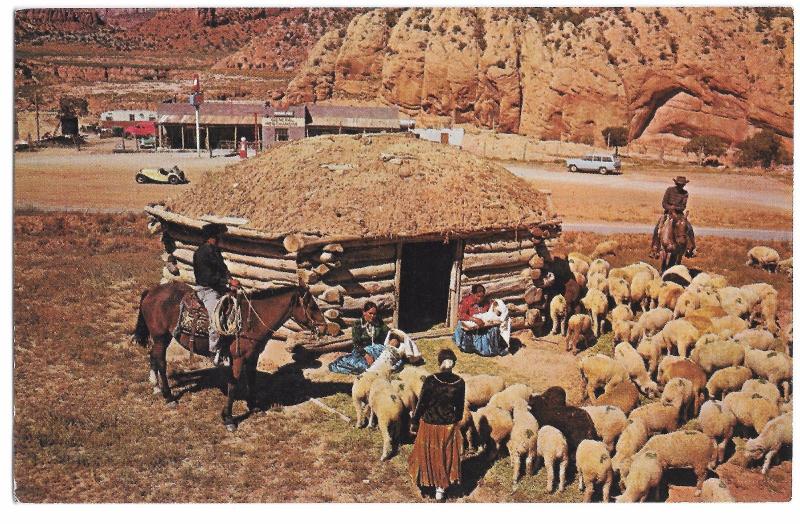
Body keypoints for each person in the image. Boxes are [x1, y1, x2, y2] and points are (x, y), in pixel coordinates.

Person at [408, 349, 465, 502]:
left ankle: (426, 480)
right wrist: (456, 421)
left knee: (429, 452)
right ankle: (441, 488)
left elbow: (422, 403)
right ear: (453, 364)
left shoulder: (431, 380)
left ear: (440, 363)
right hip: (448, 425)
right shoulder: (460, 382)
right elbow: (459, 407)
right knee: (445, 455)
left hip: (430, 424)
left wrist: (414, 420)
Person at [193, 223, 239, 366]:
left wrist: (230, 280)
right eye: (216, 237)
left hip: (218, 287)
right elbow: (207, 278)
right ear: (210, 238)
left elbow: (223, 268)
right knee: (216, 318)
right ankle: (214, 350)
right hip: (207, 290)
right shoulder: (201, 253)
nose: (218, 239)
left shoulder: (215, 251)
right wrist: (227, 281)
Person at [328, 301, 390, 374]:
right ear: (364, 312)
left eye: (374, 314)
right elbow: (356, 344)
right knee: (363, 367)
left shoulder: (379, 322)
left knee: (385, 364)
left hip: (375, 351)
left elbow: (389, 332)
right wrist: (366, 356)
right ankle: (341, 362)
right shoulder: (357, 324)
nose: (373, 316)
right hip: (361, 351)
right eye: (370, 313)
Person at [452, 284, 508, 356]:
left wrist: (495, 309)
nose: (480, 299)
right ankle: (471, 346)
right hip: (471, 329)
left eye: (482, 297)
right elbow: (460, 315)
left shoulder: (486, 302)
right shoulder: (466, 301)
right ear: (473, 294)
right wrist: (474, 319)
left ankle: (496, 348)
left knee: (495, 329)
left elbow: (491, 310)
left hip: (483, 328)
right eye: (478, 296)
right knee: (460, 324)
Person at [650, 176, 696, 258]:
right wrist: (670, 208)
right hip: (668, 213)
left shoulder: (685, 193)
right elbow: (664, 203)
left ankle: (691, 249)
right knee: (658, 228)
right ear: (676, 183)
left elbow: (683, 206)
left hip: (679, 214)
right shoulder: (669, 190)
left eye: (682, 185)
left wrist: (675, 208)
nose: (680, 186)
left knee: (689, 227)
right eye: (679, 184)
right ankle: (655, 248)